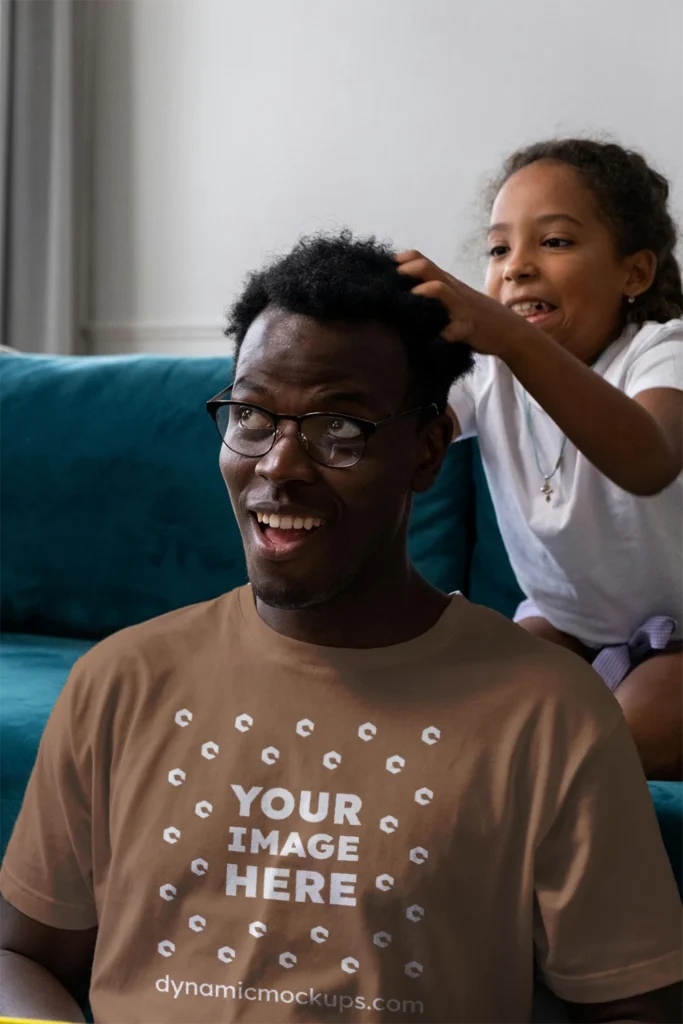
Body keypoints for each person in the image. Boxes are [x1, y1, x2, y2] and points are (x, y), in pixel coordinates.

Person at [1, 232, 683, 1024]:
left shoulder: (548, 711)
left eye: (339, 428)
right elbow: (21, 955)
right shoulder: (118, 683)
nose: (279, 464)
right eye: (252, 415)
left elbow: (636, 1008)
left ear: (427, 450)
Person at [398, 139, 683, 781]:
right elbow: (410, 433)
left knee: (618, 744)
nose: (516, 266)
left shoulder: (663, 352)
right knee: (466, 715)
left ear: (633, 274)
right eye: (499, 249)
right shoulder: (488, 370)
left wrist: (510, 337)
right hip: (567, 626)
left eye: (553, 242)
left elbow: (651, 460)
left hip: (681, 641)